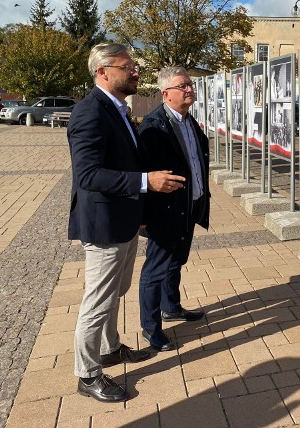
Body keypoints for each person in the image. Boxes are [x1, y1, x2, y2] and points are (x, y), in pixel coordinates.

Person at [68, 43, 186, 402]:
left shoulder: (118, 109)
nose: (135, 72)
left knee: (115, 292)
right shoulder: (90, 112)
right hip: (104, 225)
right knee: (97, 300)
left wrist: (142, 214)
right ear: (103, 72)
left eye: (134, 66)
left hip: (125, 222)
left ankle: (109, 348)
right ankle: (87, 375)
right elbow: (88, 174)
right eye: (127, 67)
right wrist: (146, 182)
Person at [138, 67, 210, 352]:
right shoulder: (154, 126)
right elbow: (143, 172)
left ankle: (172, 307)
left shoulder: (189, 121)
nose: (190, 89)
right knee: (155, 269)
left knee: (176, 260)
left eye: (190, 84)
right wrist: (142, 216)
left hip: (189, 205)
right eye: (183, 86)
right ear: (166, 93)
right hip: (165, 210)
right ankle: (151, 328)